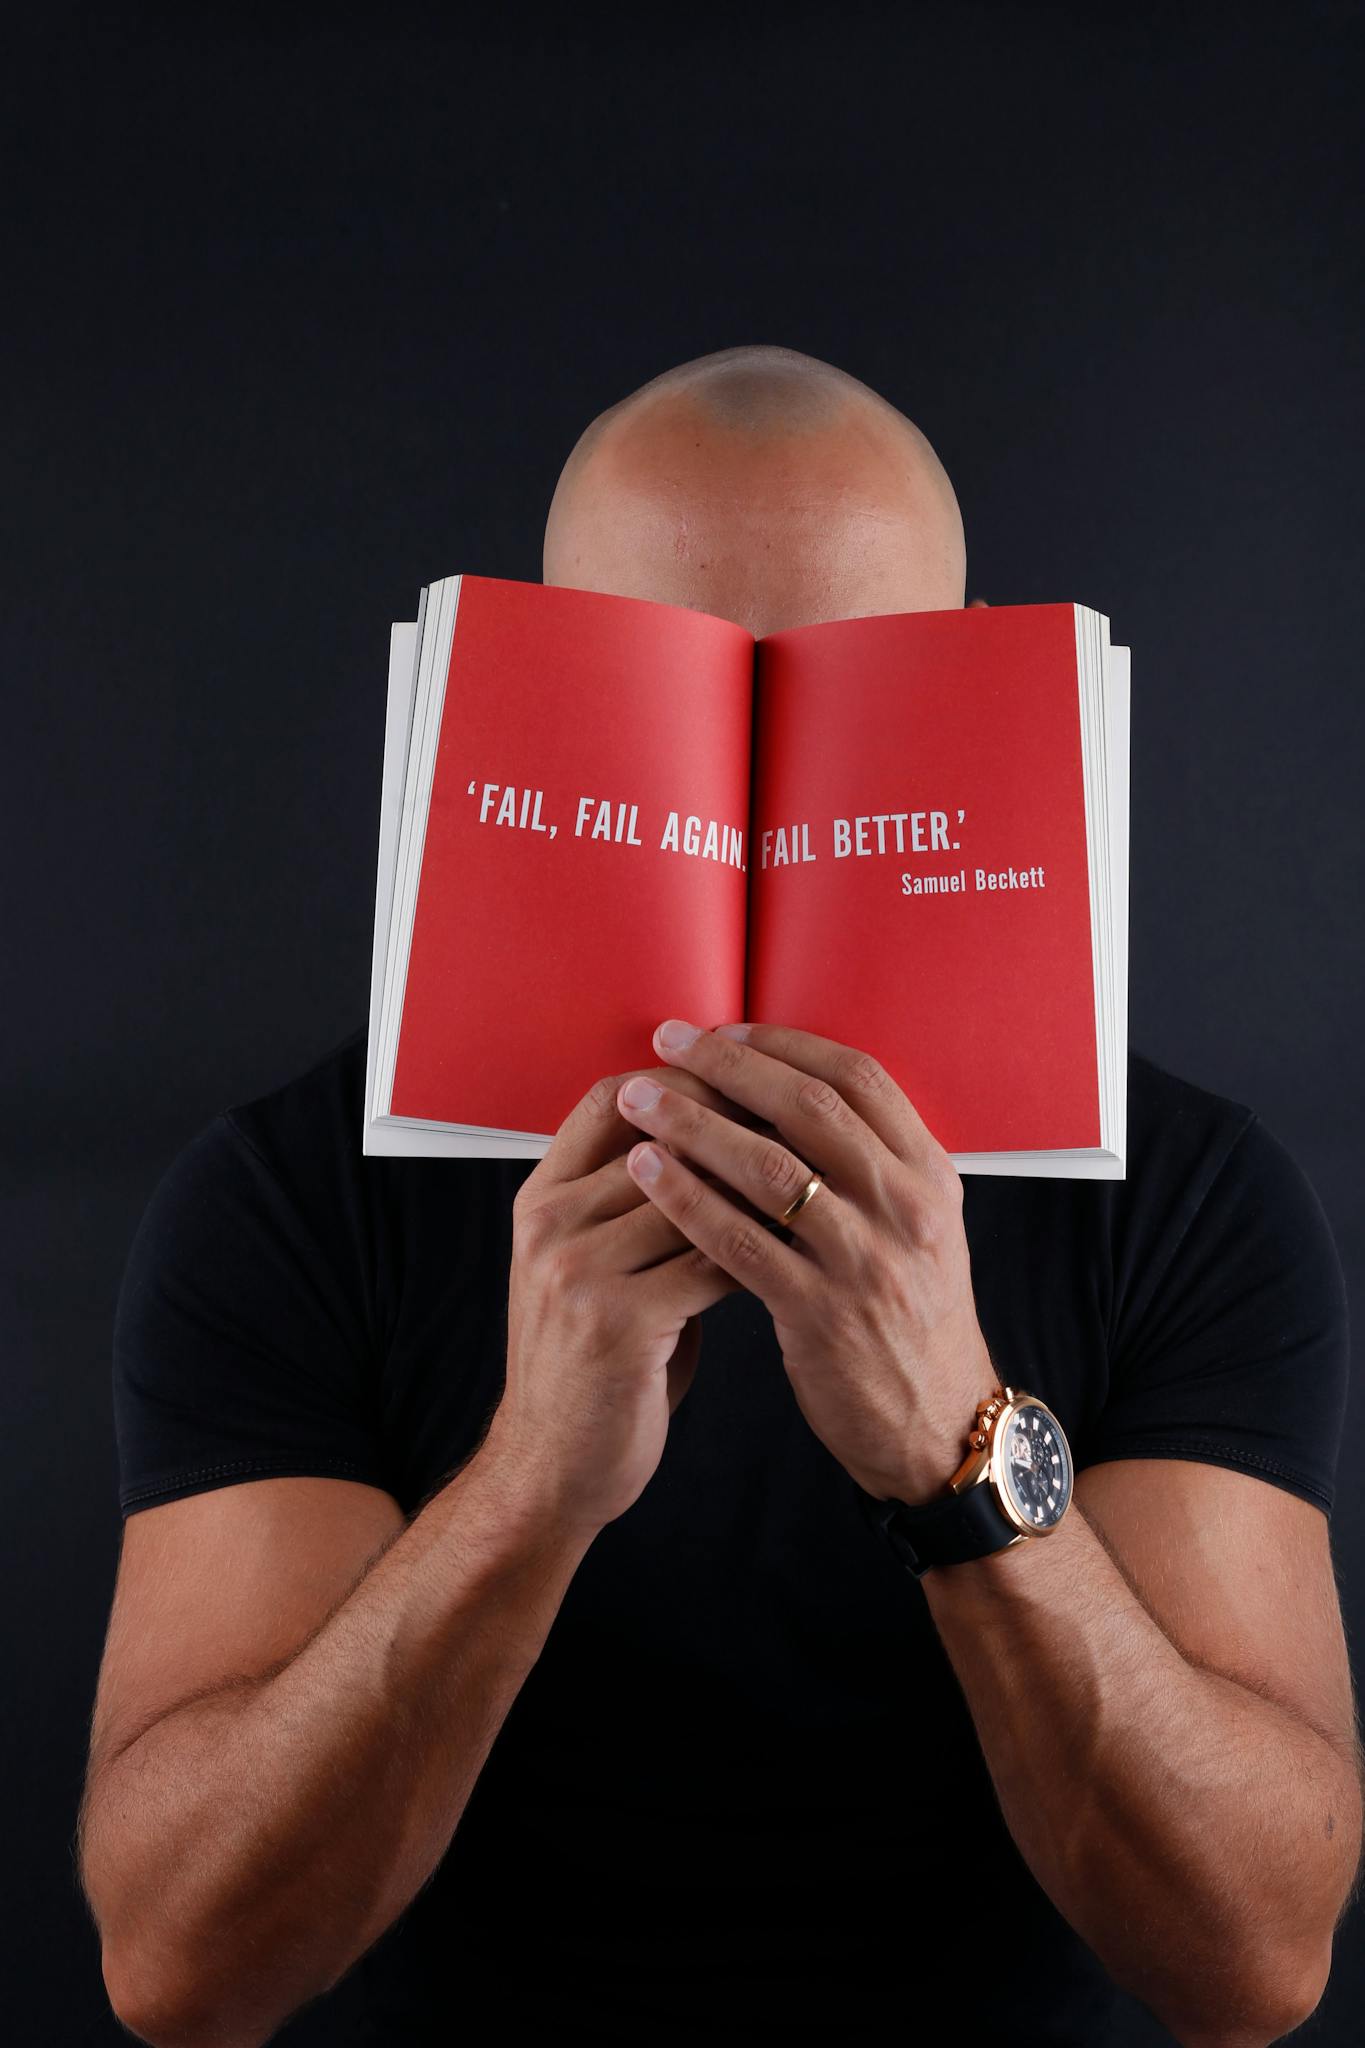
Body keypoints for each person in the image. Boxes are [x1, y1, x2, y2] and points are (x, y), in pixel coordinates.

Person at [79, 346, 1361, 2048]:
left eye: (845, 697)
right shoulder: (286, 1200)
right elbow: (180, 1971)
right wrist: (530, 1489)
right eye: (672, 691)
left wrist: (957, 1453)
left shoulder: (1191, 1195)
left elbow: (1255, 1965)